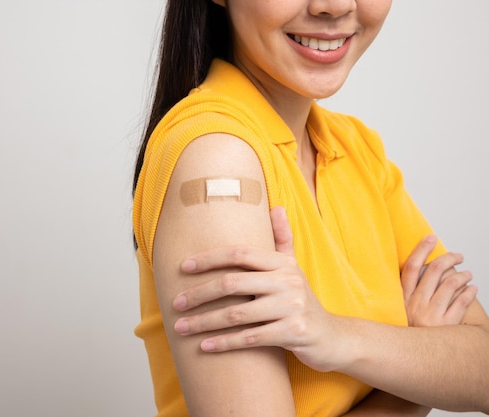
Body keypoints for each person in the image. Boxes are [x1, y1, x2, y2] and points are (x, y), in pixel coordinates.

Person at [131, 1, 489, 416]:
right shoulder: (216, 159)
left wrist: (335, 336)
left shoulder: (357, 149)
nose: (334, 5)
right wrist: (417, 382)